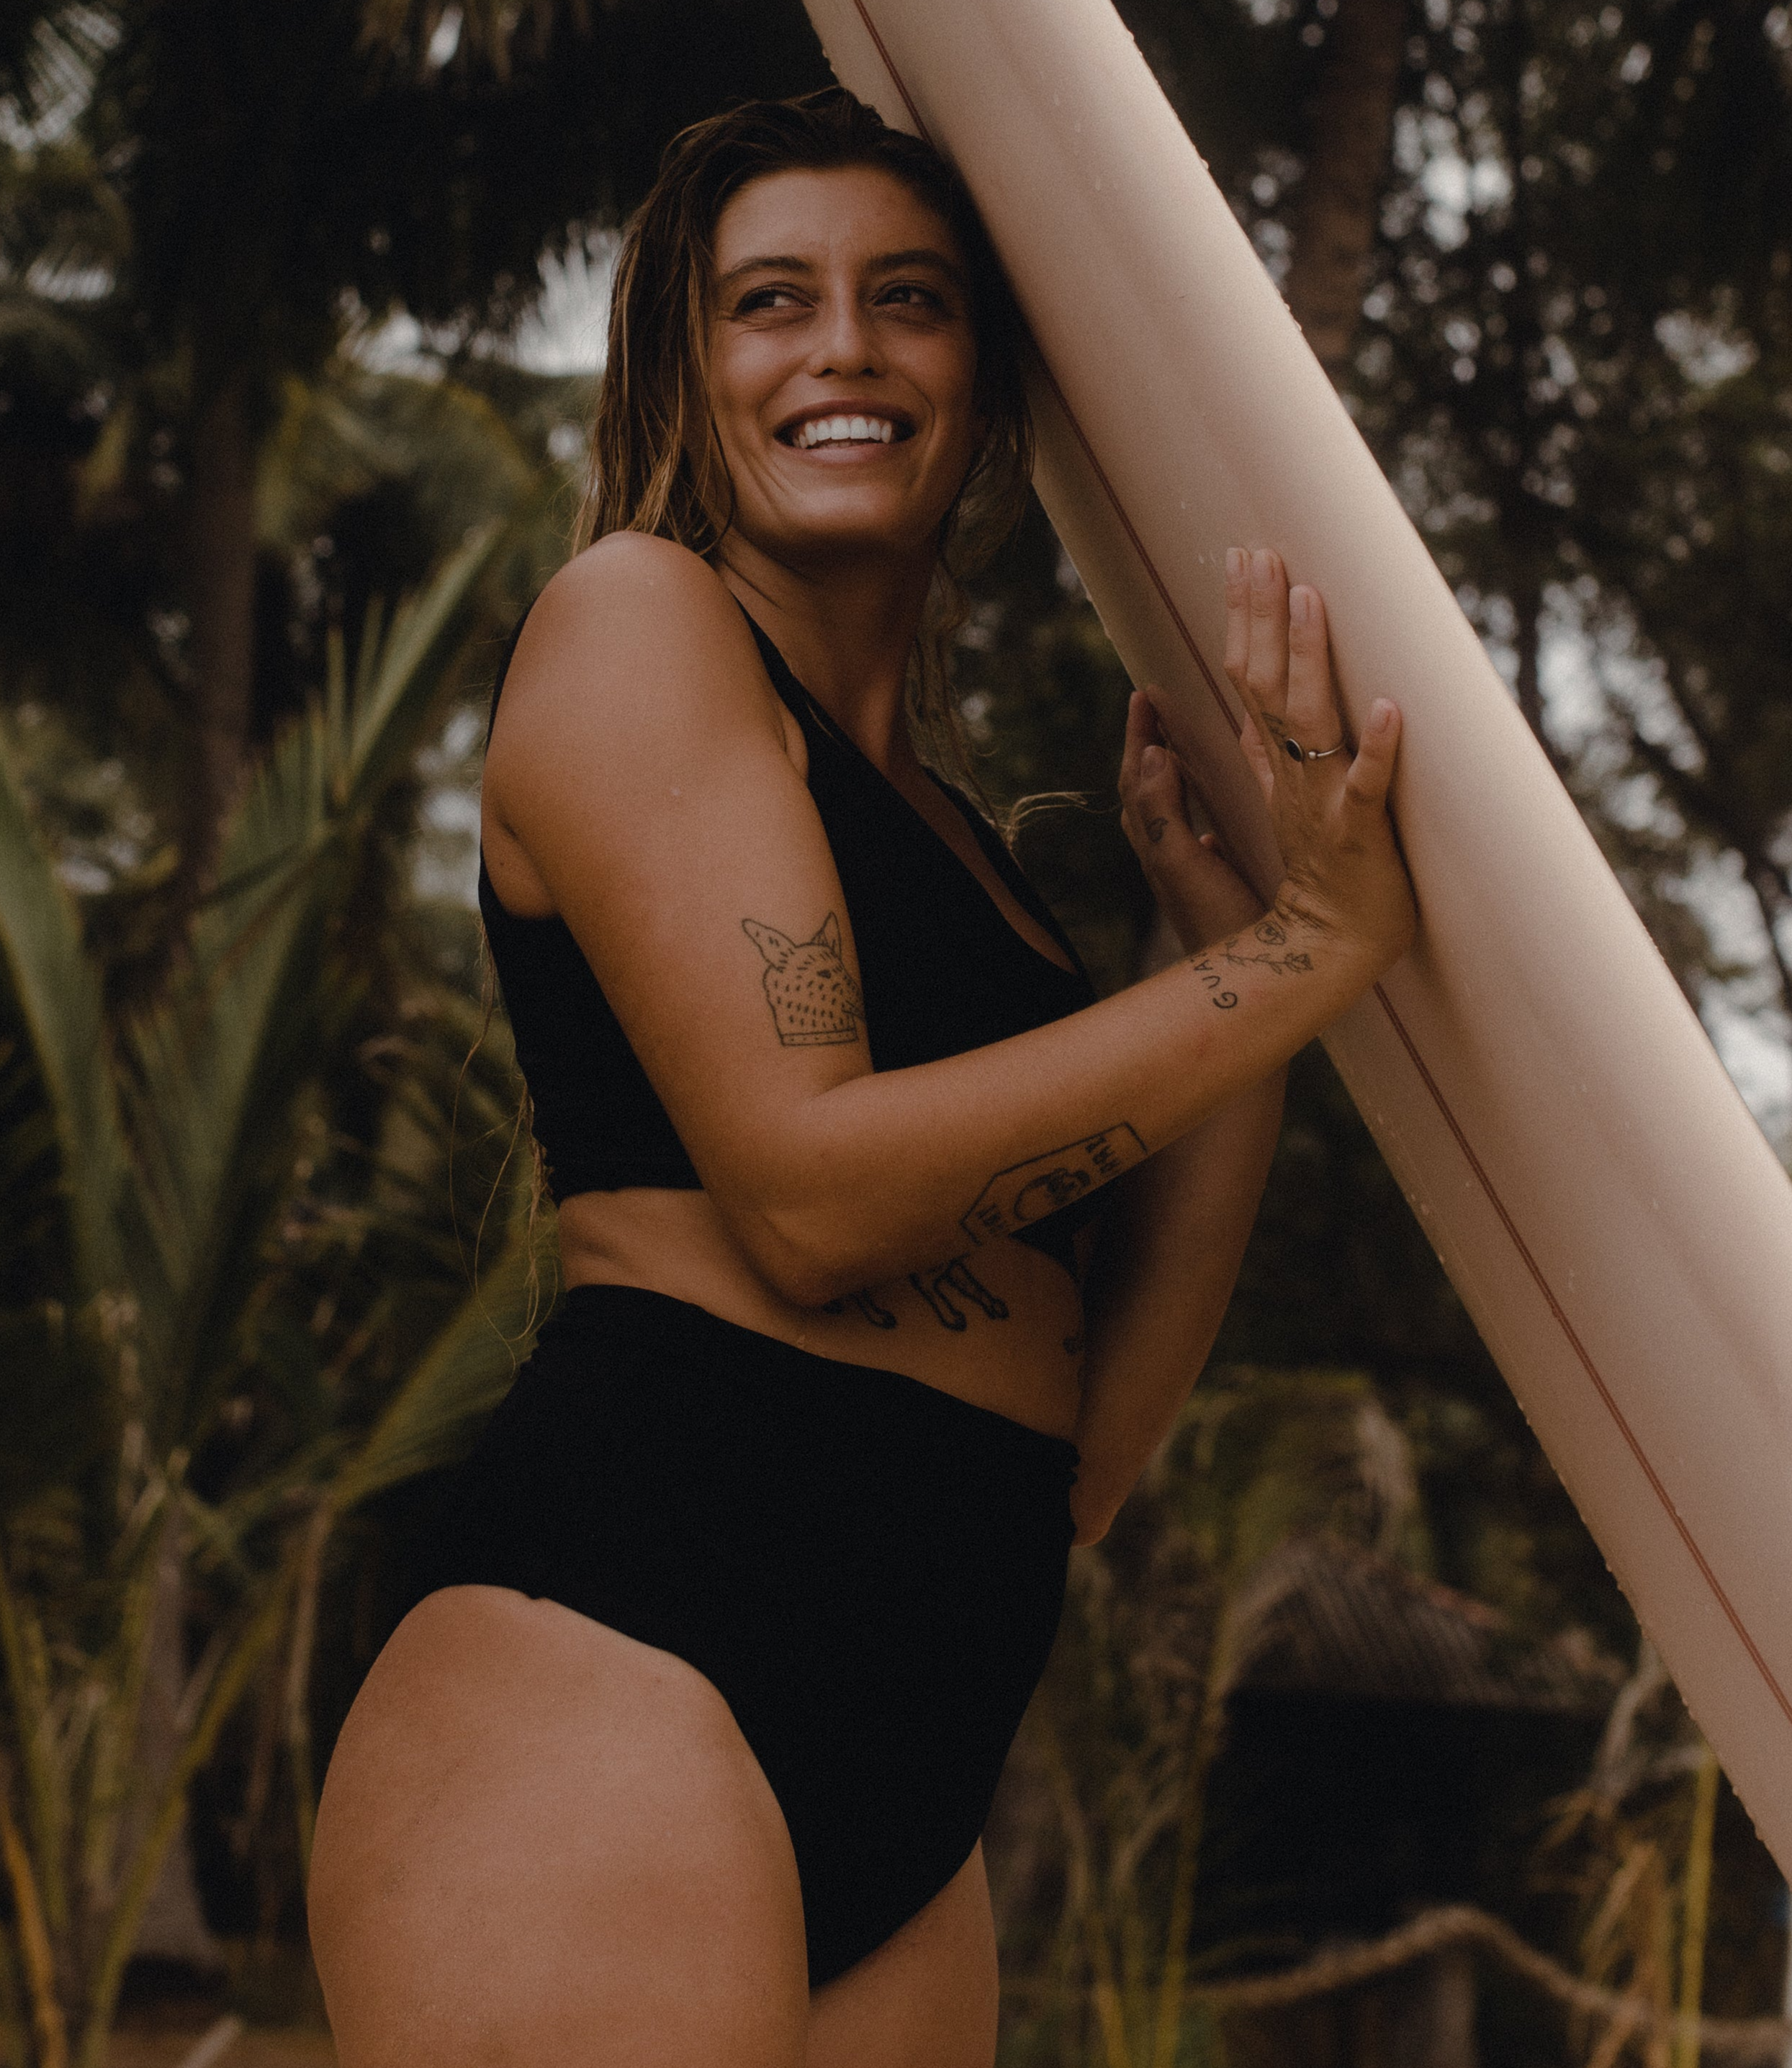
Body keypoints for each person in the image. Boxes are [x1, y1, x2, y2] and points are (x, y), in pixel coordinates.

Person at [307, 88, 1415, 2068]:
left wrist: (1225, 980)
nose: (844, 350)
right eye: (770, 303)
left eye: (910, 301)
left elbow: (1087, 1436)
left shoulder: (970, 860)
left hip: (920, 1753)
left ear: (984, 388)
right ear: (689, 369)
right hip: (622, 1663)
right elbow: (812, 1199)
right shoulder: (636, 624)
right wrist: (1292, 958)